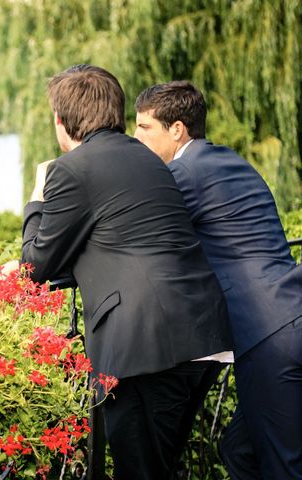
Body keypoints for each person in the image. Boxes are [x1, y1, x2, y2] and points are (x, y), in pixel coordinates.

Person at [21, 64, 233, 480]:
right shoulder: (147, 156)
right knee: (161, 467)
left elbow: (35, 266)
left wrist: (37, 196)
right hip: (199, 335)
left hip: (146, 347)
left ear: (61, 123)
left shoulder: (70, 170)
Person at [134, 81, 302, 479]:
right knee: (239, 451)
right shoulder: (227, 161)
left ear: (176, 129)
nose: (134, 138)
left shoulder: (182, 173)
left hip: (267, 336)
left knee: (283, 467)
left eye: (143, 128)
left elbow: (135, 234)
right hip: (290, 314)